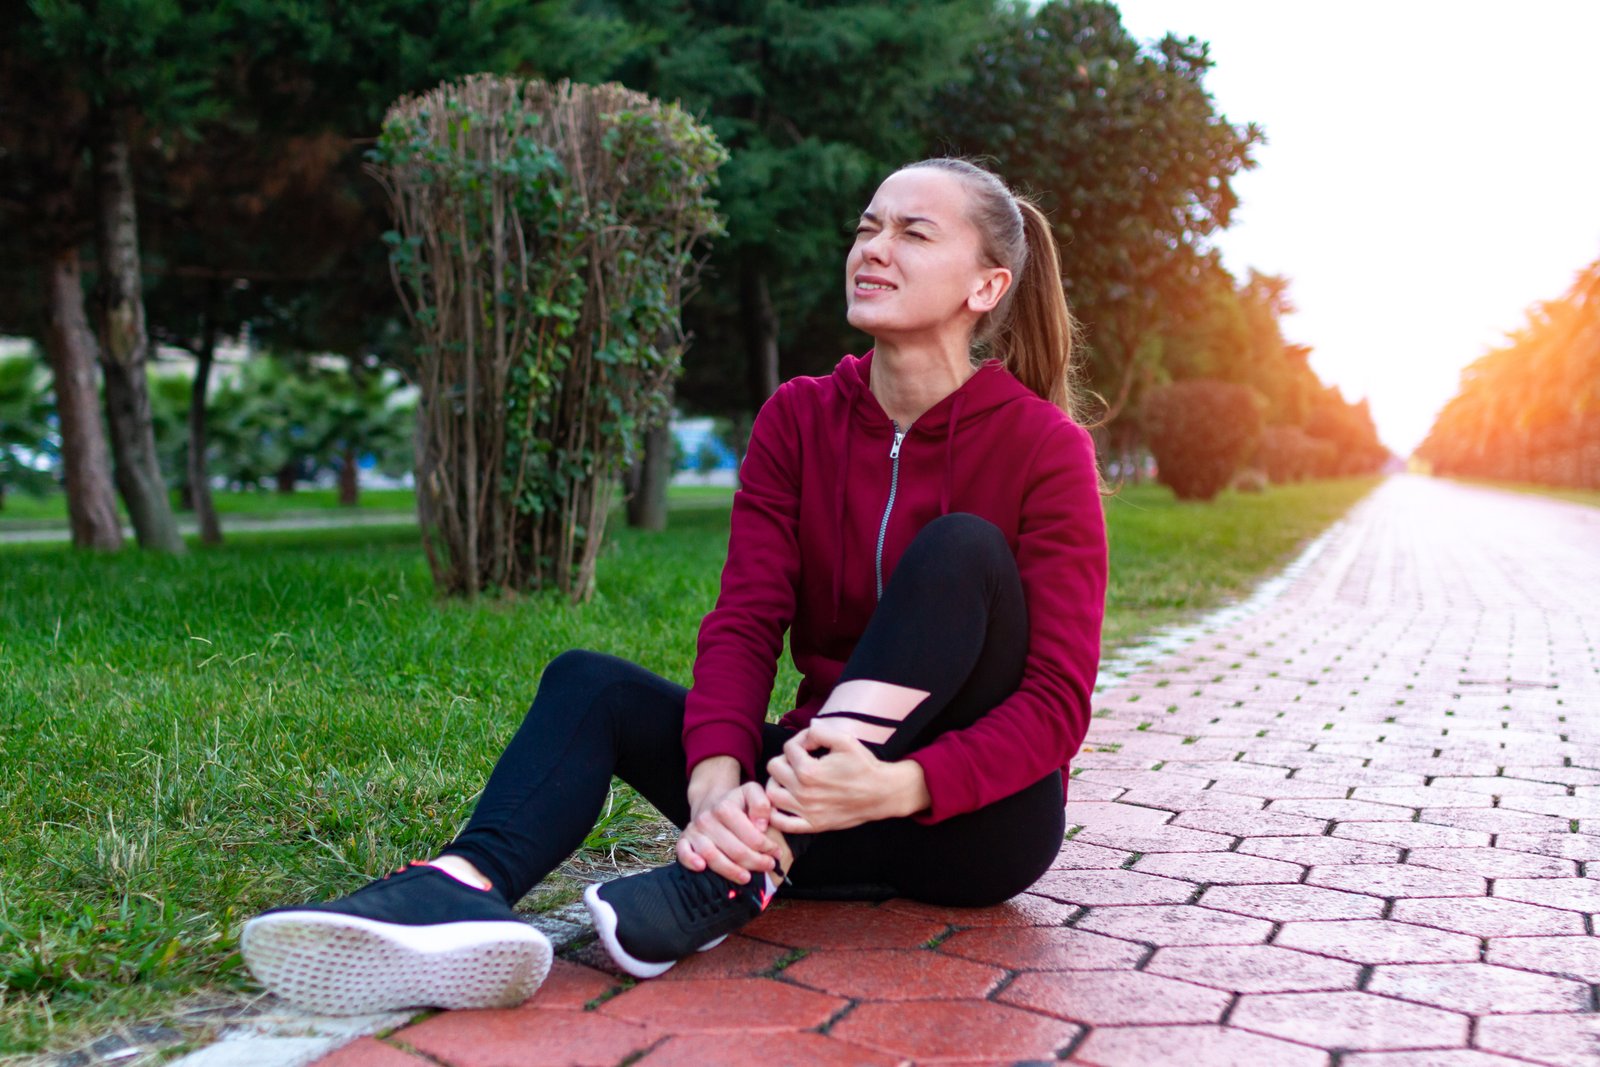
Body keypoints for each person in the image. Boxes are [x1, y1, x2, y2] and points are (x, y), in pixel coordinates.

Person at [240, 157, 1107, 1015]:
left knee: (961, 550)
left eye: (913, 232)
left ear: (986, 287)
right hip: (807, 809)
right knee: (590, 684)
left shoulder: (1043, 447)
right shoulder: (799, 418)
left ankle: (744, 868)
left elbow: (1057, 703)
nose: (873, 248)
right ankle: (461, 889)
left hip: (964, 821)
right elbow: (745, 620)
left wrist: (893, 784)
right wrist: (717, 787)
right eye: (867, 226)